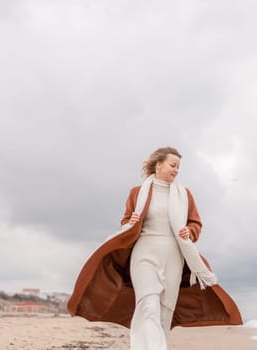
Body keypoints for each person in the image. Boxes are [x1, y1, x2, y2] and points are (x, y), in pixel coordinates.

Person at [67, 147, 242, 350]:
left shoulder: (184, 194)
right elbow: (126, 221)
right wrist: (131, 221)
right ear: (158, 165)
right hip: (144, 252)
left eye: (178, 167)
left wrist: (189, 231)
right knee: (148, 305)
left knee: (164, 311)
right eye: (173, 165)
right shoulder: (137, 192)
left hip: (174, 256)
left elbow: (196, 224)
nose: (176, 170)